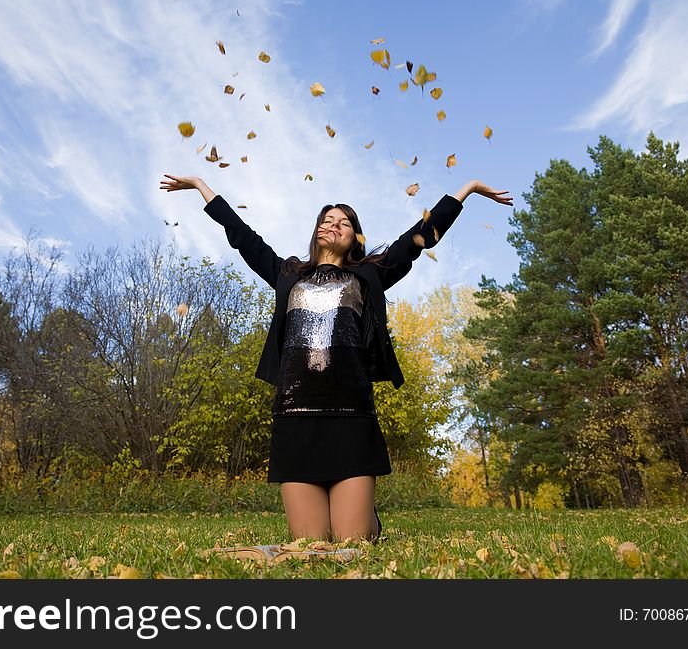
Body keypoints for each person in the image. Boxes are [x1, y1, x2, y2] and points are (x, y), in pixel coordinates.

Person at [159, 174, 512, 542]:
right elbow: (244, 237)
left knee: (352, 544)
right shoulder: (288, 274)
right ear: (316, 232)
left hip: (351, 419)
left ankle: (367, 519)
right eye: (326, 221)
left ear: (354, 236)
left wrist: (465, 191)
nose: (334, 225)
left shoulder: (369, 275)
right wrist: (202, 186)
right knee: (310, 545)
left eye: (344, 222)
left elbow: (417, 240)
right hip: (295, 421)